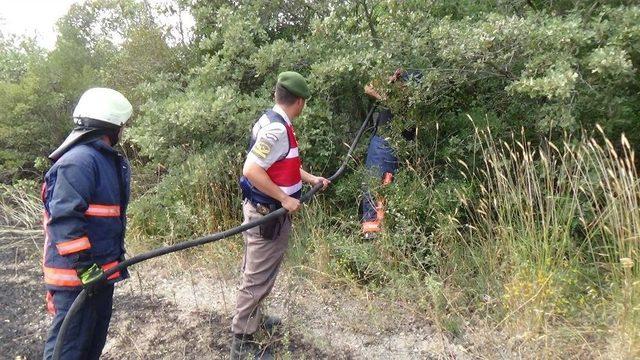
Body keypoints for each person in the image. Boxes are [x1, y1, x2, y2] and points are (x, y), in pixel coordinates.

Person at [233, 71, 330, 359]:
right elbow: (251, 170)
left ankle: (254, 320)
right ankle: (242, 341)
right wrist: (285, 198)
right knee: (255, 276)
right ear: (299, 102)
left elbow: (279, 164)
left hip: (272, 213)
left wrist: (311, 179)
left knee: (261, 273)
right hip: (266, 215)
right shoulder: (276, 129)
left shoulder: (274, 121)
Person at [41, 88, 133, 360]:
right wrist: (85, 267)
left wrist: (97, 273)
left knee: (89, 349)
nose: (123, 132)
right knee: (68, 351)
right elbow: (65, 221)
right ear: (112, 125)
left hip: (99, 276)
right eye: (122, 126)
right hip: (77, 280)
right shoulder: (80, 161)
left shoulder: (100, 159)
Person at [361, 68, 421, 239]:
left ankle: (383, 232)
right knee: (376, 187)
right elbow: (368, 87)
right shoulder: (391, 94)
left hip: (395, 147)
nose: (401, 86)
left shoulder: (411, 99)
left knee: (385, 189)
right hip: (382, 145)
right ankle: (373, 233)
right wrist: (389, 80)